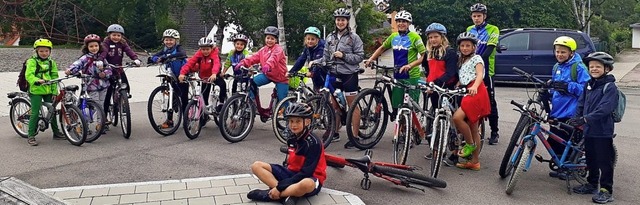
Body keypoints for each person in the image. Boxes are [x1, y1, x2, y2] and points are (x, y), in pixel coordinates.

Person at [248, 103, 326, 205]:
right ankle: (287, 195)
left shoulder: (313, 143)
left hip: (309, 177)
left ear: (307, 122)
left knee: (307, 184)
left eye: (298, 121)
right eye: (291, 121)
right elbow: (288, 163)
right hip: (291, 174)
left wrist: (279, 187)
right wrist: (280, 185)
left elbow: (306, 173)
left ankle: (272, 194)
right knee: (256, 166)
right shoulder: (292, 137)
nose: (293, 125)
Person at [570, 52, 618, 204]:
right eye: (591, 67)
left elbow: (605, 108)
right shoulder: (588, 85)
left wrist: (585, 119)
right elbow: (581, 103)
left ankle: (606, 190)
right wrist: (577, 119)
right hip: (588, 129)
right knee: (591, 159)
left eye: (598, 66)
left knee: (604, 161)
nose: (594, 69)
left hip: (603, 131)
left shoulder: (610, 87)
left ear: (607, 69)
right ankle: (592, 183)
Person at [367, 10, 426, 122]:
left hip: (411, 76)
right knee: (398, 105)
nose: (401, 23)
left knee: (411, 107)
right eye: (398, 21)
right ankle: (401, 130)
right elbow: (382, 48)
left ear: (409, 23)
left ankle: (413, 130)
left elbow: (423, 56)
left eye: (404, 21)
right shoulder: (393, 36)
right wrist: (371, 59)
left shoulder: (415, 37)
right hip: (398, 75)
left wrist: (410, 65)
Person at [319, 7, 365, 148]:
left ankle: (355, 137)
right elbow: (326, 57)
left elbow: (359, 56)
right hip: (334, 73)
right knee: (334, 106)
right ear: (335, 21)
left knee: (352, 106)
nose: (340, 22)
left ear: (347, 22)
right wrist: (317, 62)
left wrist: (344, 56)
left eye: (343, 20)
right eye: (338, 20)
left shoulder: (354, 38)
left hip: (349, 75)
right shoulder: (330, 38)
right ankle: (335, 132)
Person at [547, 36, 590, 178]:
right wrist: (549, 90)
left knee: (569, 143)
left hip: (571, 112)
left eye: (563, 52)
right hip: (557, 111)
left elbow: (587, 89)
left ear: (571, 53)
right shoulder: (556, 66)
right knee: (554, 141)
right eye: (557, 51)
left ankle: (573, 170)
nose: (559, 55)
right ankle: (562, 166)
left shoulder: (578, 67)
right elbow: (556, 89)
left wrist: (569, 86)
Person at [421, 23, 459, 164]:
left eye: (436, 37)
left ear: (442, 37)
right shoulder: (429, 53)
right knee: (436, 118)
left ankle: (455, 151)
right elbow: (426, 67)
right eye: (430, 37)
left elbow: (451, 73)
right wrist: (428, 80)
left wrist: (435, 83)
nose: (433, 40)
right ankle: (436, 149)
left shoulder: (449, 52)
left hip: (446, 89)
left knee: (452, 120)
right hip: (433, 89)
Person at [452, 32, 490, 171]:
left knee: (457, 117)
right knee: (473, 128)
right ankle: (475, 162)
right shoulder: (462, 60)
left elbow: (479, 74)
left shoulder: (477, 58)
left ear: (474, 47)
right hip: (467, 90)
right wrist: (458, 83)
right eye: (462, 45)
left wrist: (474, 86)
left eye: (468, 45)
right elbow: (464, 75)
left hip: (476, 91)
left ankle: (469, 144)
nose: (465, 48)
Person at [466, 3, 501, 144]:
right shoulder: (469, 29)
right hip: (471, 71)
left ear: (484, 16)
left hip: (487, 70)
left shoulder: (493, 29)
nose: (476, 19)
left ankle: (495, 131)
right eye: (474, 16)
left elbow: (488, 50)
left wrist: (476, 61)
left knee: (491, 101)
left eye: (479, 16)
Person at [25, 39, 64, 146]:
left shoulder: (51, 62)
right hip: (36, 90)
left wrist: (54, 91)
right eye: (41, 51)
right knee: (35, 112)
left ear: (50, 51)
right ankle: (31, 135)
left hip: (48, 90)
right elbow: (29, 75)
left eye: (46, 51)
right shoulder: (32, 61)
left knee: (52, 110)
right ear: (36, 51)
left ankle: (56, 133)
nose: (44, 53)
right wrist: (36, 80)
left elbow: (54, 76)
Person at [235, 26, 288, 102]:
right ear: (265, 38)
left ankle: (289, 112)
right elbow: (254, 58)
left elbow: (274, 58)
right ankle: (251, 104)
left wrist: (268, 65)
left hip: (281, 78)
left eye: (272, 39)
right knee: (252, 83)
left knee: (282, 100)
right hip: (268, 75)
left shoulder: (278, 49)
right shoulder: (263, 50)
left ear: (276, 40)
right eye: (268, 38)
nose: (269, 40)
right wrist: (243, 62)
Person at [148, 29, 188, 129]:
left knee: (184, 98)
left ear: (176, 41)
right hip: (171, 75)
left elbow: (182, 54)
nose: (168, 42)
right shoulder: (165, 49)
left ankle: (187, 120)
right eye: (166, 40)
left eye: (171, 40)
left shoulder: (179, 48)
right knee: (171, 96)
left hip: (182, 75)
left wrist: (167, 57)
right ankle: (170, 121)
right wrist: (154, 59)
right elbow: (156, 55)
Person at [66, 34, 112, 117]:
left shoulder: (102, 58)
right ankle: (91, 121)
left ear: (99, 46)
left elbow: (109, 69)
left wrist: (105, 73)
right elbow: (77, 64)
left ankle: (100, 123)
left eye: (96, 46)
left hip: (103, 85)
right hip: (91, 85)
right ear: (87, 47)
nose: (94, 48)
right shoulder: (85, 58)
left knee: (101, 104)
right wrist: (70, 70)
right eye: (91, 46)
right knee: (97, 105)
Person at [100, 24, 141, 117]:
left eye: (118, 35)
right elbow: (104, 52)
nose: (116, 37)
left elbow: (129, 50)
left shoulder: (122, 43)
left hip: (119, 69)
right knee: (108, 92)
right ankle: (104, 117)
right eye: (114, 35)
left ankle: (123, 100)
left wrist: (135, 59)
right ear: (109, 35)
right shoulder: (106, 43)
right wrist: (100, 61)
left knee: (126, 85)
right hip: (108, 69)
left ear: (121, 36)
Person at [178, 37, 224, 118]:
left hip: (214, 75)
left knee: (222, 85)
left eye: (207, 49)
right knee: (203, 97)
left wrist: (214, 74)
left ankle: (221, 103)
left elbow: (216, 64)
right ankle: (204, 116)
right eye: (203, 49)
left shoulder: (214, 54)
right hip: (204, 77)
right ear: (200, 49)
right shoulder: (199, 54)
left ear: (211, 48)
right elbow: (190, 63)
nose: (205, 51)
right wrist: (182, 73)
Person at [288, 26, 325, 91]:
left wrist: (312, 72)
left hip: (324, 74)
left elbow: (319, 64)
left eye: (312, 39)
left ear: (317, 40)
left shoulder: (321, 48)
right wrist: (291, 72)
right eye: (308, 39)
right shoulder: (307, 48)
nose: (310, 41)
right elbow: (301, 60)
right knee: (316, 95)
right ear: (305, 39)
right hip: (315, 77)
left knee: (323, 96)